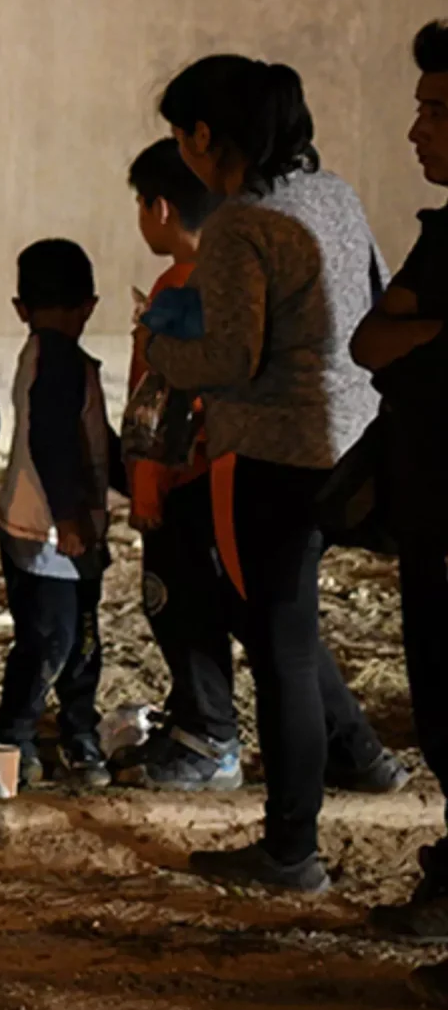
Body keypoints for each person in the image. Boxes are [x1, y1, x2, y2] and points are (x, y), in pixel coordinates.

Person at [144, 54, 403, 895]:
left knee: (279, 645)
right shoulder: (334, 195)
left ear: (205, 135)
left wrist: (159, 343)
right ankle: (364, 761)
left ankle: (291, 848)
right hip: (354, 441)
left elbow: (228, 354)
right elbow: (379, 291)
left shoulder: (239, 227)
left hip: (276, 453)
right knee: (289, 626)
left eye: (180, 133)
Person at [352, 20, 448, 947]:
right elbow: (370, 342)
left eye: (436, 112)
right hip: (427, 517)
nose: (416, 132)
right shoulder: (440, 239)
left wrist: (417, 337)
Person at [115, 140, 241, 791]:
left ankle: (209, 735)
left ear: (159, 208)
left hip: (180, 481)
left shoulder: (179, 287)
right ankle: (206, 722)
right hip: (214, 478)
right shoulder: (230, 279)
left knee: (175, 604)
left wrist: (144, 477)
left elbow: (157, 399)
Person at [0, 240, 117, 789]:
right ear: (90, 305)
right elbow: (51, 441)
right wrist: (68, 519)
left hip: (59, 532)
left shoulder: (46, 355)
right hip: (46, 532)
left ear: (20, 308)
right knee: (55, 639)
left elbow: (93, 441)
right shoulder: (59, 358)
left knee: (75, 636)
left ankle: (74, 733)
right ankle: (15, 735)